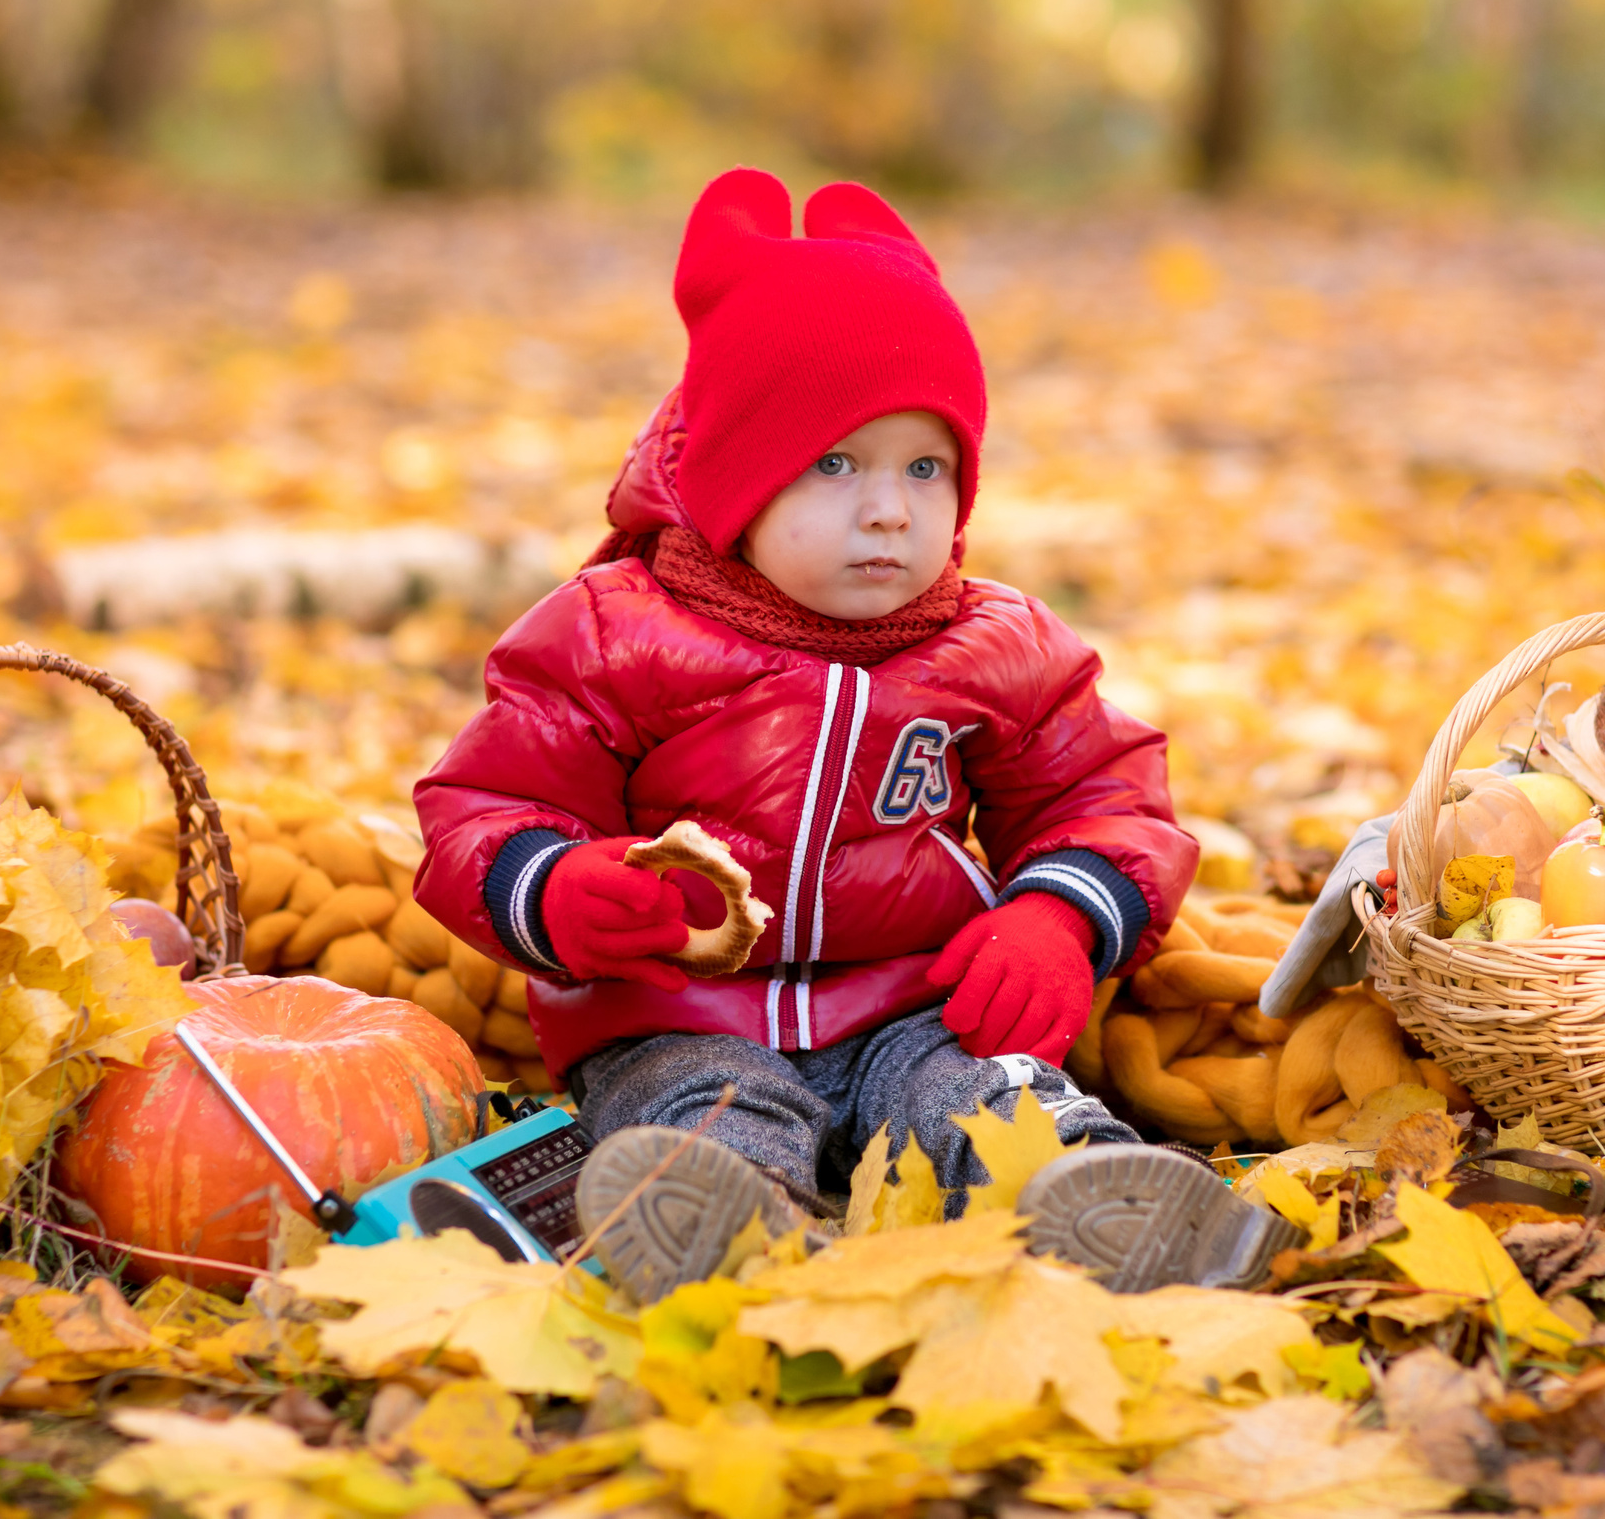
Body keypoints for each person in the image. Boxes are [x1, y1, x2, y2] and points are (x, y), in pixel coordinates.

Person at [414, 167, 1298, 1303]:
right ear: (735, 478)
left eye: (924, 468)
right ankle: (723, 1227)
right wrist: (557, 886)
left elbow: (1102, 793)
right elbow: (482, 804)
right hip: (681, 1011)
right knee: (705, 1112)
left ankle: (1101, 1201)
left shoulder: (996, 643)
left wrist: (1054, 916)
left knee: (989, 1099)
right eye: (833, 464)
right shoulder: (614, 632)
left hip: (912, 1003)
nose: (889, 509)